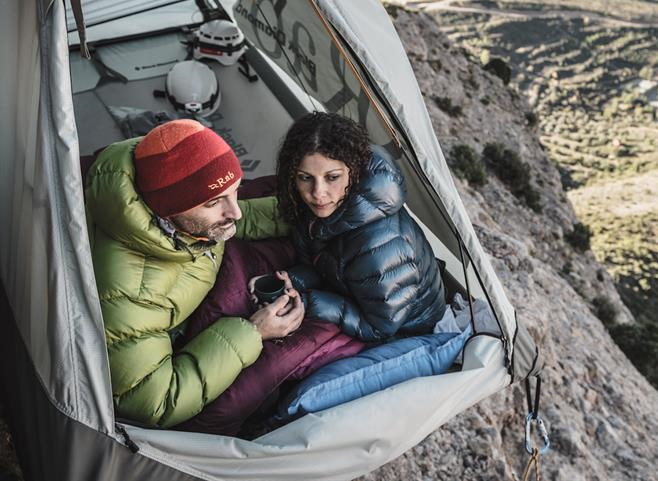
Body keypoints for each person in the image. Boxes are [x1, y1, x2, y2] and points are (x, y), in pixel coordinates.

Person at [85, 119, 305, 429]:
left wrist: (308, 214)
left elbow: (233, 217)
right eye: (215, 202)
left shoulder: (166, 184)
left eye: (235, 192)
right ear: (167, 210)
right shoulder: (132, 297)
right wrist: (253, 332)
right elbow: (154, 401)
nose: (236, 211)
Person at [274, 112, 447, 342]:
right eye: (305, 178)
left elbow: (379, 328)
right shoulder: (315, 207)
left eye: (332, 177)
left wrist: (305, 302)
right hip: (359, 296)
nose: (318, 193)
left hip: (402, 331)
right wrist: (291, 282)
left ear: (353, 171)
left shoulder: (379, 247)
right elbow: (323, 264)